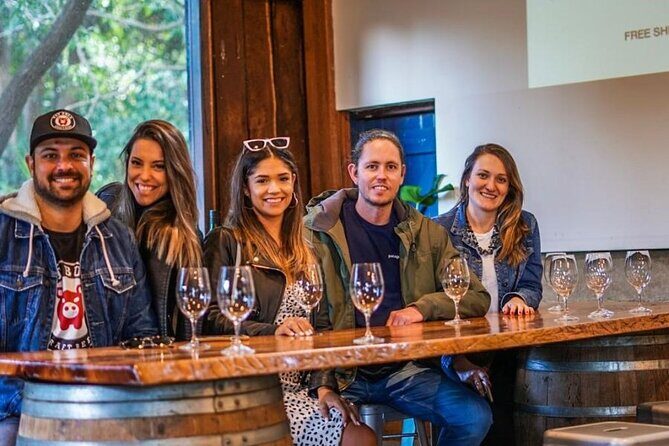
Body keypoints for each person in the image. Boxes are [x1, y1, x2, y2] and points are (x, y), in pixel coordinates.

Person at [305, 129, 493, 446]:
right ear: (354, 173)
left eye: (390, 167)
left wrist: (421, 309)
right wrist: (322, 384)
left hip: (404, 370)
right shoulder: (319, 232)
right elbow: (308, 314)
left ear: (402, 174)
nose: (382, 175)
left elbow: (476, 297)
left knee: (474, 417)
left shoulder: (426, 233)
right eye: (372, 166)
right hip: (340, 373)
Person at [203, 137, 376, 446]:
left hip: (302, 387)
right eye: (262, 180)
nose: (274, 189)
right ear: (245, 188)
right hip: (252, 388)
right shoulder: (227, 240)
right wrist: (274, 331)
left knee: (361, 437)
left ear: (293, 182)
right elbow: (210, 319)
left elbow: (321, 328)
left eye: (283, 178)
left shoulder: (307, 247)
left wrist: (324, 387)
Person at [0, 109, 158, 445]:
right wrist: (34, 405)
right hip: (17, 410)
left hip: (104, 405)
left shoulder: (118, 239)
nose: (64, 165)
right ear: (31, 164)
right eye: (50, 155)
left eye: (76, 155)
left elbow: (142, 335)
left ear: (91, 163)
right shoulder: (3, 235)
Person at [434, 143, 542, 444]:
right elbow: (431, 301)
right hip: (456, 350)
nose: (491, 186)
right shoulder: (437, 229)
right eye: (483, 175)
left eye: (501, 179)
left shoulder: (525, 225)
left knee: (507, 409)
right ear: (467, 178)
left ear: (509, 188)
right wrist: (458, 361)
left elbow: (532, 285)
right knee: (480, 413)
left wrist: (519, 299)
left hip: (507, 347)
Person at [97, 120, 202, 340]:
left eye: (158, 166)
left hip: (156, 352)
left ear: (175, 171)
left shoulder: (183, 236)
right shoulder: (106, 205)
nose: (144, 176)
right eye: (137, 163)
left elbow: (189, 328)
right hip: (102, 349)